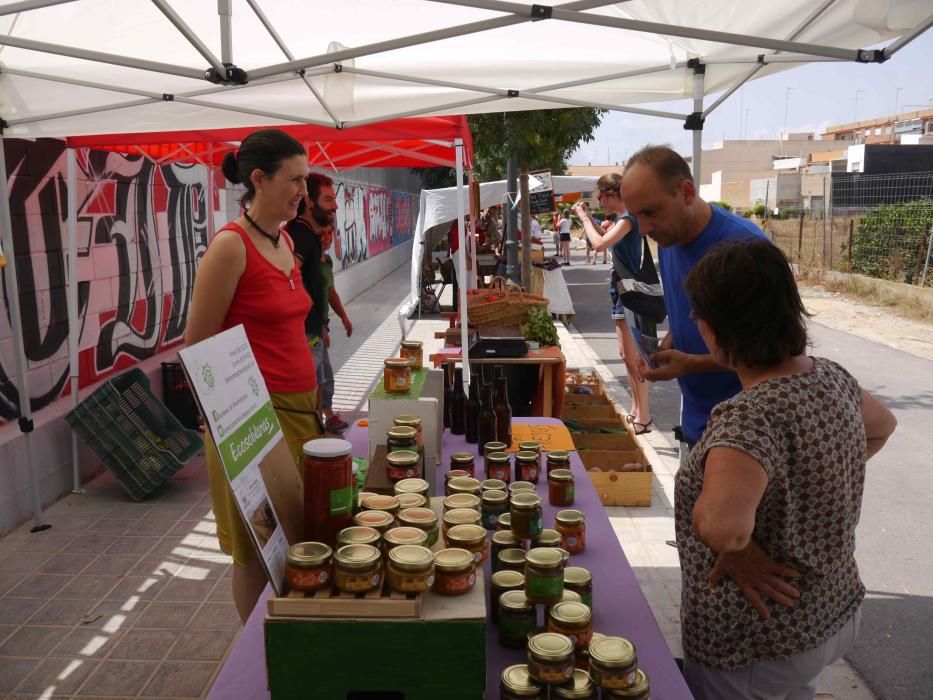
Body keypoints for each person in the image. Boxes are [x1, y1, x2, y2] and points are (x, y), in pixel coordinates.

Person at [675, 239, 896, 699]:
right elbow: (880, 427)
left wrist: (737, 545)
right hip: (827, 614)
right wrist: (813, 480)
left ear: (715, 328)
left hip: (756, 644)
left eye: (698, 316)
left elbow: (724, 528)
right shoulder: (829, 376)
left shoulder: (752, 415)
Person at [185, 129, 320, 622]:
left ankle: (290, 633)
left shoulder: (283, 239)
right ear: (259, 180)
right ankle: (256, 656)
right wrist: (220, 424)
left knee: (296, 536)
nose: (303, 190)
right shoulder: (231, 246)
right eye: (295, 179)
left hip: (300, 414)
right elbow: (197, 345)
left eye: (306, 179)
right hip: (253, 423)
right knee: (257, 548)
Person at [621, 145, 768, 449]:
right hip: (697, 424)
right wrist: (672, 341)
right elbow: (694, 309)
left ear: (686, 192)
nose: (644, 229)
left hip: (747, 434)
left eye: (650, 212)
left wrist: (689, 364)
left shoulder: (747, 248)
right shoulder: (668, 237)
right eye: (636, 217)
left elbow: (772, 356)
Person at [572, 176, 652, 433]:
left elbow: (599, 245)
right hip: (621, 289)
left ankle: (645, 415)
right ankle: (637, 410)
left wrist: (584, 219)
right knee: (626, 354)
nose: (599, 202)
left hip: (628, 290)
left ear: (612, 194)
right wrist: (598, 224)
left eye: (601, 198)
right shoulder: (624, 220)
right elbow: (608, 238)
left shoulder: (628, 219)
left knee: (634, 355)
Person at [288, 174, 351, 433]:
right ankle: (310, 439)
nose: (335, 206)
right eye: (328, 199)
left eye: (334, 200)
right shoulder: (299, 236)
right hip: (303, 334)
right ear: (308, 201)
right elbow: (286, 281)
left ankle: (317, 430)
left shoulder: (308, 235)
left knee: (319, 381)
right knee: (307, 390)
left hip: (312, 331)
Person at [318, 225, 353, 431]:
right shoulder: (309, 263)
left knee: (322, 372)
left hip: (321, 326)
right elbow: (308, 299)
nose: (326, 237)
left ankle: (324, 413)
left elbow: (331, 293)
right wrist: (320, 328)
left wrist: (344, 317)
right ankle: (326, 414)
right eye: (322, 233)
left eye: (329, 233)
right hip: (311, 328)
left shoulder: (326, 261)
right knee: (322, 373)